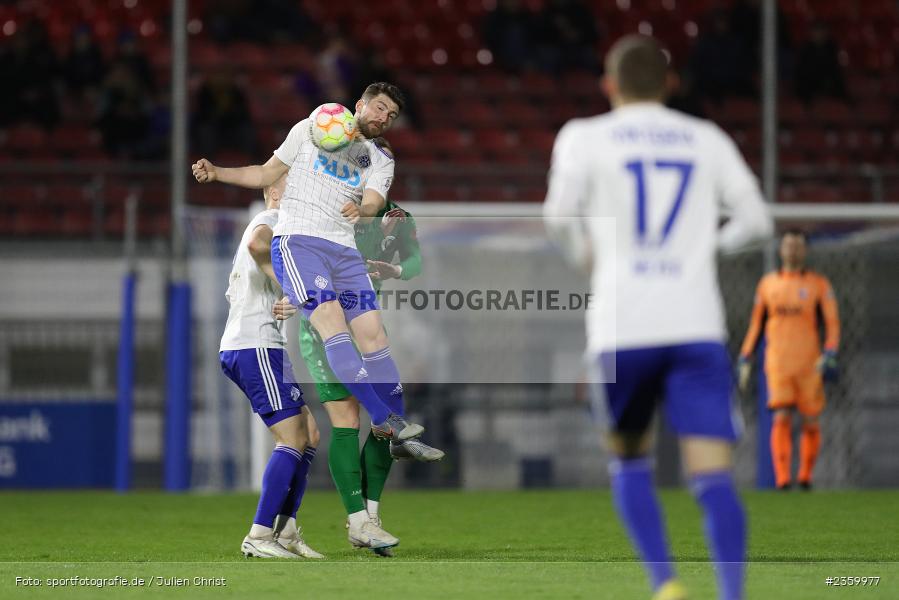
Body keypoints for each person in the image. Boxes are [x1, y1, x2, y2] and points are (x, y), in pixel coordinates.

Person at [544, 35, 772, 600]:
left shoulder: (583, 136)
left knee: (628, 458)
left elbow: (557, 214)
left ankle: (665, 582)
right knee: (713, 473)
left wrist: (585, 257)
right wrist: (706, 248)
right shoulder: (707, 139)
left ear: (610, 85)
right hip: (694, 323)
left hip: (624, 325)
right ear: (671, 85)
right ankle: (733, 594)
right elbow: (757, 222)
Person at [192, 82, 428, 552]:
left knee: (375, 334)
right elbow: (266, 172)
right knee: (333, 332)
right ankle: (386, 423)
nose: (384, 117)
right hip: (301, 244)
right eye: (379, 107)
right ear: (359, 105)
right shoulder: (314, 126)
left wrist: (360, 206)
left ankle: (386, 424)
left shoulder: (378, 158)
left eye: (392, 114)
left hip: (343, 251)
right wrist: (217, 172)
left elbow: (376, 201)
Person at [219, 173, 323, 559]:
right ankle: (260, 535)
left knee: (309, 433)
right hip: (255, 345)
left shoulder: (288, 230)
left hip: (263, 346)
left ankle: (286, 531)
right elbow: (256, 243)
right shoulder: (273, 219)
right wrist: (290, 287)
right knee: (292, 438)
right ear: (276, 192)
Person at [737, 229, 840, 491]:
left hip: (809, 363)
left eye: (797, 246)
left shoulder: (819, 284)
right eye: (788, 245)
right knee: (781, 417)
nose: (792, 250)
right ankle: (783, 479)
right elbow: (756, 325)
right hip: (778, 363)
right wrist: (746, 355)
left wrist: (830, 351)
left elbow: (832, 323)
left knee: (810, 419)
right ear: (780, 250)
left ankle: (805, 477)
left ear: (804, 251)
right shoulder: (767, 284)